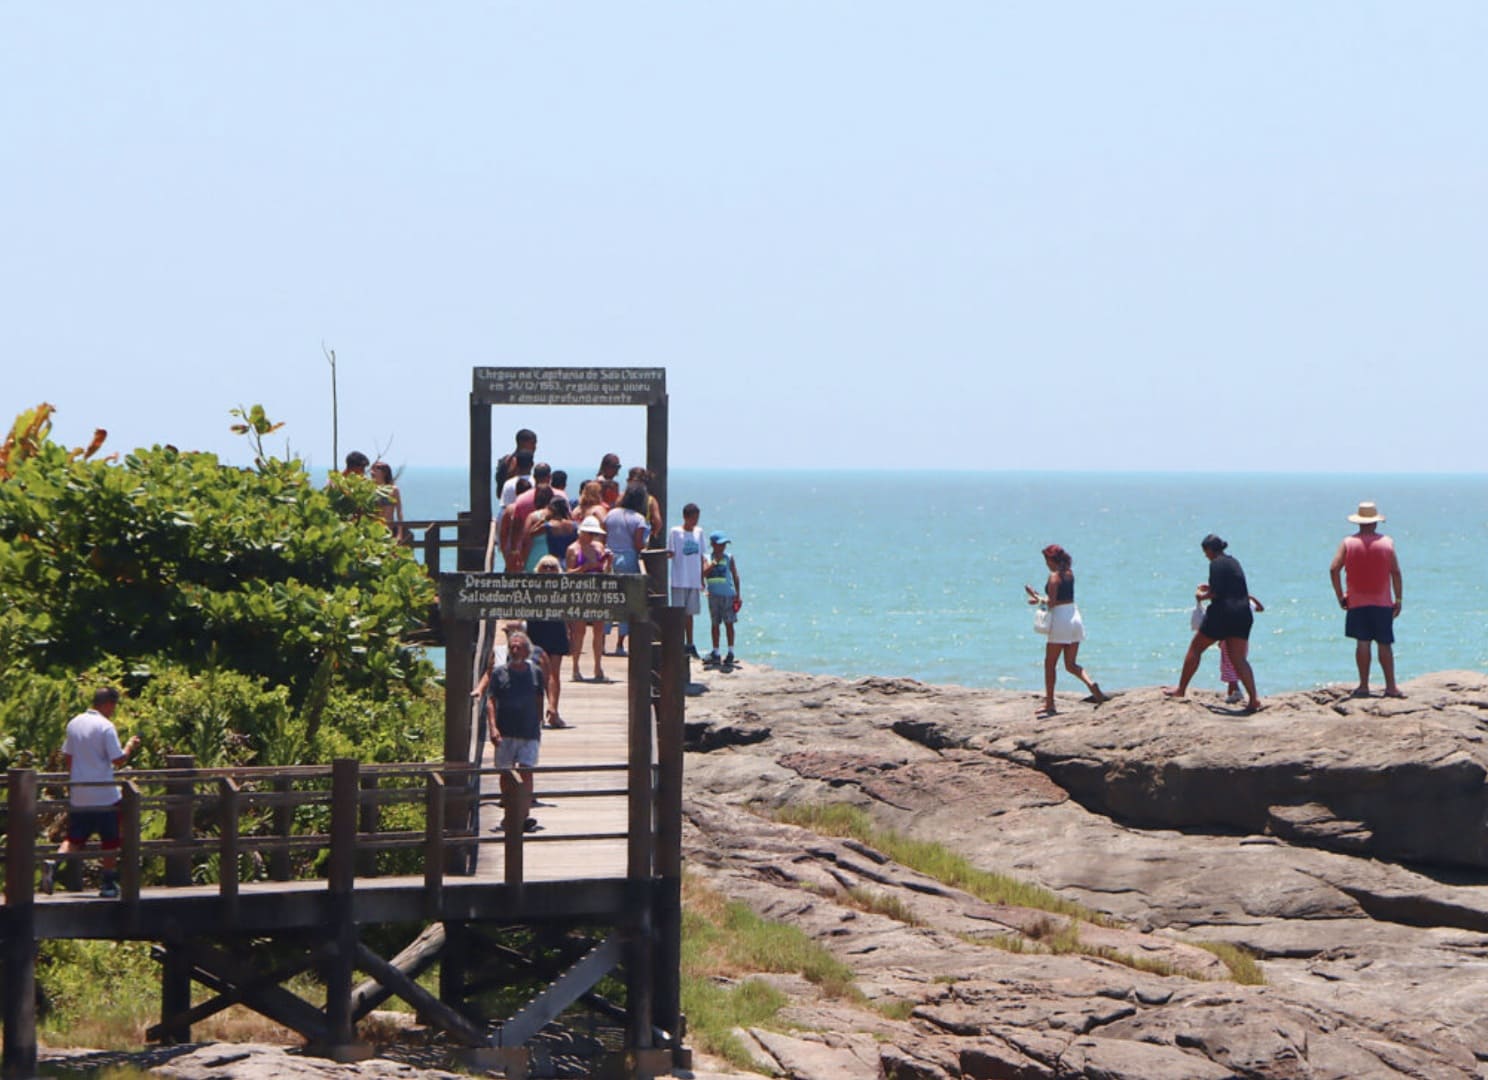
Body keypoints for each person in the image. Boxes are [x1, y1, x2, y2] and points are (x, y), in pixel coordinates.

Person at [40, 687, 142, 898]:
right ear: (109, 703)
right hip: (105, 794)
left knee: (74, 838)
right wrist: (130, 746)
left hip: (80, 792)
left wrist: (75, 781)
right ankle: (108, 884)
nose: (113, 710)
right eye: (114, 706)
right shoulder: (106, 726)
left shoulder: (74, 723)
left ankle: (54, 862)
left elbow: (68, 757)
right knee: (111, 839)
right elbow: (118, 759)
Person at [1165, 534, 1261, 712]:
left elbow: (1216, 594)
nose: (1206, 556)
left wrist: (1201, 596)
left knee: (1196, 648)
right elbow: (1233, 587)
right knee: (1239, 659)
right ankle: (1253, 699)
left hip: (1223, 613)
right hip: (1242, 614)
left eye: (1205, 552)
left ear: (1210, 550)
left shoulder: (1215, 563)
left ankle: (1181, 690)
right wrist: (1211, 589)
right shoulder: (1233, 562)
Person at [1330, 500, 1405, 698]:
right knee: (1384, 644)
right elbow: (1395, 572)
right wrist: (1398, 599)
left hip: (1356, 601)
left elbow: (1334, 569)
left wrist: (1340, 596)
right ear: (1375, 522)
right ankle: (1391, 687)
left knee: (1362, 643)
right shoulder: (1387, 543)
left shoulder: (1348, 543)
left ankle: (1364, 685)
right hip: (1382, 601)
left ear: (1358, 522)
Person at [1024, 544, 1108, 717]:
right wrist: (1041, 600)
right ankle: (1091, 685)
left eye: (1046, 560)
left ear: (1051, 560)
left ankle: (1050, 703)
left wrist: (1036, 597)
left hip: (1061, 621)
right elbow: (1062, 598)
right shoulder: (1069, 573)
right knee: (1071, 664)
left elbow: (1052, 603)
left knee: (1050, 664)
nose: (1046, 564)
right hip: (1074, 617)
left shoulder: (1054, 577)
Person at [473, 630, 544, 833]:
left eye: (519, 647)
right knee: (506, 774)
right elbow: (491, 701)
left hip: (529, 732)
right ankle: (510, 814)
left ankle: (523, 815)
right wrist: (493, 728)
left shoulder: (535, 672)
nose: (515, 650)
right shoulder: (499, 673)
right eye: (512, 647)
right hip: (505, 732)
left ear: (527, 651)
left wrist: (539, 722)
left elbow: (540, 697)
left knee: (526, 772)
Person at [604, 483, 651, 656]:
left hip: (609, 559)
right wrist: (646, 545)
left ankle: (601, 642)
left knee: (608, 601)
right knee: (627, 602)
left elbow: (604, 535)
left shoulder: (611, 514)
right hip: (628, 560)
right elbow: (638, 544)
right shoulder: (639, 519)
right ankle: (619, 644)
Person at [566, 516, 613, 681]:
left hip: (598, 592)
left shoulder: (599, 547)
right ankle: (575, 668)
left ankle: (598, 668)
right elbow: (568, 573)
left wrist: (609, 562)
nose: (592, 537)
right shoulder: (573, 549)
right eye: (589, 533)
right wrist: (584, 568)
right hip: (580, 593)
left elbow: (606, 572)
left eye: (594, 534)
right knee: (579, 632)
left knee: (599, 631)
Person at [526, 556, 571, 728]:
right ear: (538, 568)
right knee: (537, 674)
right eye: (545, 566)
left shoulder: (563, 587)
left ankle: (553, 710)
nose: (548, 570)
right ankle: (538, 716)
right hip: (536, 630)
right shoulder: (531, 586)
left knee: (554, 673)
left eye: (552, 567)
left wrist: (570, 634)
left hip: (556, 629)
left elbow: (569, 611)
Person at [667, 503, 705, 658]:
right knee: (678, 614)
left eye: (697, 518)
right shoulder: (675, 532)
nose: (695, 521)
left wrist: (702, 579)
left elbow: (702, 556)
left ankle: (690, 643)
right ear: (685, 517)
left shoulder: (699, 532)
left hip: (693, 579)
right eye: (693, 518)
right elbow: (670, 552)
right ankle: (678, 643)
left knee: (690, 614)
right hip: (679, 579)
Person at [703, 531, 741, 666]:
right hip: (713, 595)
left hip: (728, 595)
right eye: (720, 544)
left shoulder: (729, 557)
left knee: (729, 623)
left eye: (724, 545)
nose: (723, 547)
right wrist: (714, 562)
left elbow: (735, 575)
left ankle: (730, 652)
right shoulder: (707, 557)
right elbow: (704, 573)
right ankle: (716, 652)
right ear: (713, 545)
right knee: (715, 624)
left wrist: (738, 594)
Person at [1217, 595, 1264, 703]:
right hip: (1243, 639)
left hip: (1230, 639)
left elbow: (1224, 622)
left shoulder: (1231, 603)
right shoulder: (1247, 604)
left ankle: (1235, 692)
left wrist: (1220, 638)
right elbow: (1260, 608)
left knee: (1229, 665)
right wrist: (1251, 597)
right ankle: (1233, 692)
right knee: (1236, 664)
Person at [495, 428, 537, 496]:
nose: (535, 447)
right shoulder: (512, 461)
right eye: (532, 443)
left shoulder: (510, 460)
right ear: (522, 443)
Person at [370, 461, 404, 541]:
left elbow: (399, 512)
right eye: (373, 468)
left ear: (384, 472)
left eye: (377, 468)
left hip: (389, 529)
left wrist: (400, 533)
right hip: (374, 529)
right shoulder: (371, 489)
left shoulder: (394, 490)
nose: (373, 471)